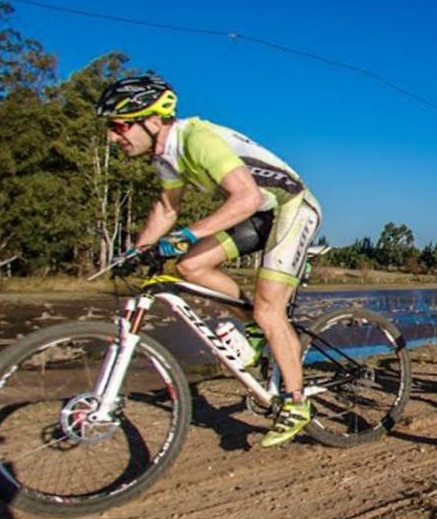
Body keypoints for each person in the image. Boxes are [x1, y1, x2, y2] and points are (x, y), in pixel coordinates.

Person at [97, 75, 322, 448]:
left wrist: (188, 235)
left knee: (270, 311)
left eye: (119, 125)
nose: (112, 137)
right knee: (189, 267)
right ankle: (254, 328)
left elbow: (246, 197)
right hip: (258, 212)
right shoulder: (165, 156)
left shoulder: (196, 139)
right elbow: (167, 207)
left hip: (291, 207)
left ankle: (297, 404)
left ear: (153, 120)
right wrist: (138, 250)